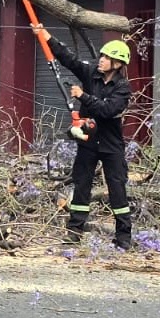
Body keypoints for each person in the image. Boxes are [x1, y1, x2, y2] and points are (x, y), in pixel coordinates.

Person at [48, 36, 134, 250]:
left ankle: (123, 237)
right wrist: (47, 37)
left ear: (118, 64)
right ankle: (74, 232)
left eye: (107, 58)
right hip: (88, 142)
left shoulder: (123, 88)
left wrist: (82, 96)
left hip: (111, 145)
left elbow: (107, 110)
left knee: (117, 188)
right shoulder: (91, 73)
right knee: (81, 186)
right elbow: (69, 59)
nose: (102, 60)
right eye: (102, 55)